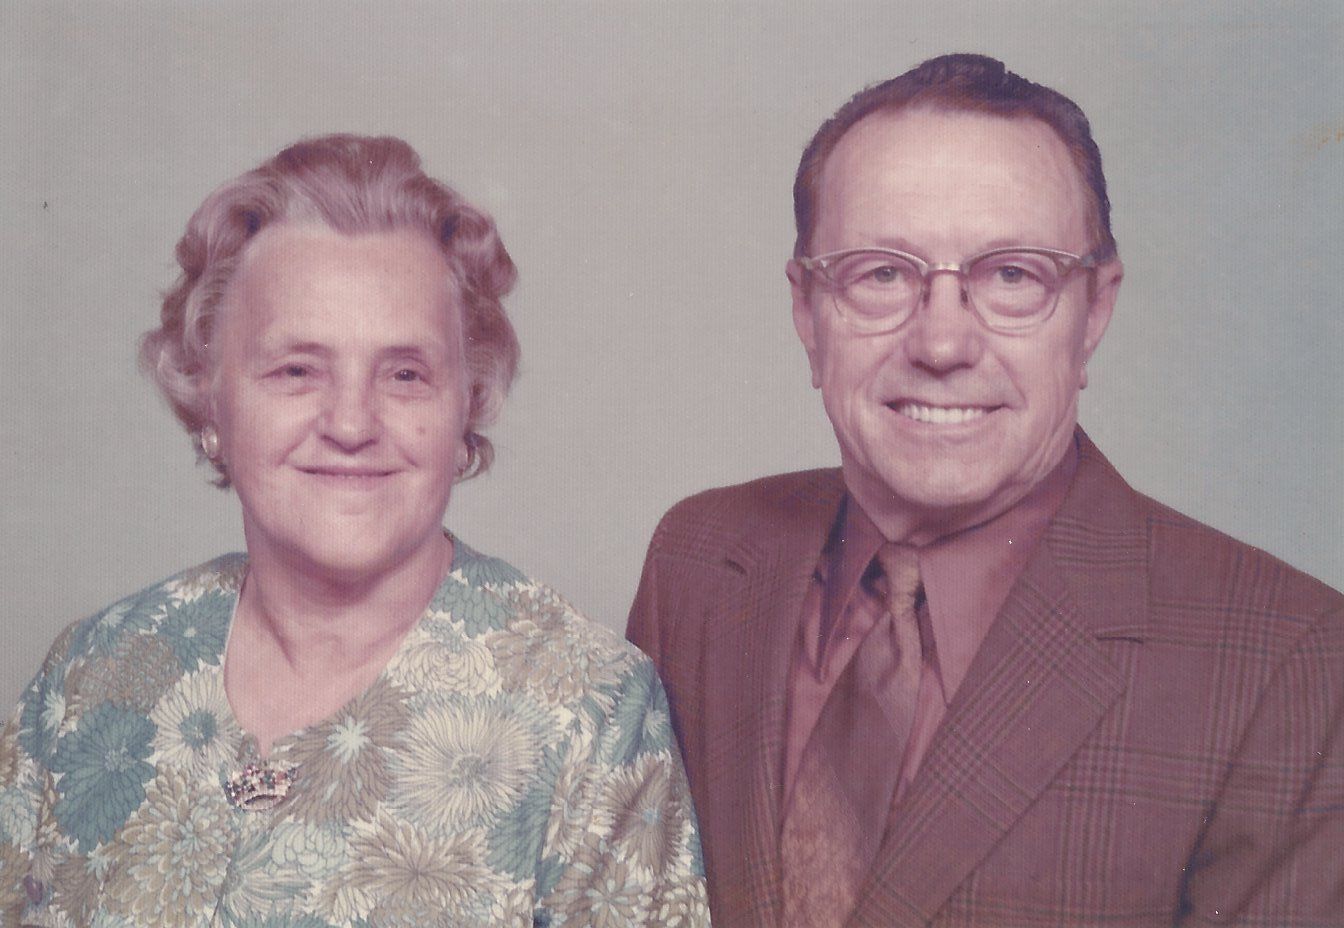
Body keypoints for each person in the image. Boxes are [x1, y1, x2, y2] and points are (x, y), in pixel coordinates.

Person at [627, 54, 1344, 927]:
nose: (942, 343)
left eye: (1013, 276)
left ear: (1095, 311)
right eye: (881, 273)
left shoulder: (1289, 662)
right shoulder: (700, 564)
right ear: (808, 313)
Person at [1, 134, 708, 927]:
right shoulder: (90, 676)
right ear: (209, 397)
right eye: (296, 370)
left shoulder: (587, 714)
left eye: (405, 374)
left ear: (467, 404)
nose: (349, 424)